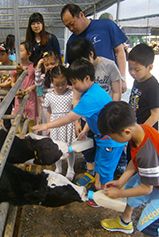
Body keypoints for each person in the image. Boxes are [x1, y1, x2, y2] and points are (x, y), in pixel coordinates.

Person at [31, 58, 126, 201]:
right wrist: (86, 129)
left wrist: (47, 125)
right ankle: (98, 187)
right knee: (100, 163)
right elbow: (95, 115)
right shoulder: (95, 89)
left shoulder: (90, 97)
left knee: (105, 168)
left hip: (111, 140)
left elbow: (70, 117)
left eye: (74, 82)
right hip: (104, 137)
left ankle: (103, 198)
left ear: (87, 78)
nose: (73, 86)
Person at [66, 37, 124, 186]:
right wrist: (80, 122)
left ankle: (102, 185)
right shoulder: (80, 77)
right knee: (95, 152)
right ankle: (93, 175)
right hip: (91, 118)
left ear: (90, 54)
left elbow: (117, 92)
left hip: (107, 121)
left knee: (106, 158)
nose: (77, 65)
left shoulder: (109, 66)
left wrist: (113, 116)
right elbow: (77, 97)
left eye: (80, 60)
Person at [97, 101, 159, 236]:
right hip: (154, 174)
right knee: (130, 187)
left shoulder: (146, 153)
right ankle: (125, 222)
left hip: (154, 182)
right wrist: (120, 182)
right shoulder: (140, 131)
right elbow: (134, 161)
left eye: (112, 137)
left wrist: (119, 193)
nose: (111, 140)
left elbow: (146, 188)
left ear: (126, 132)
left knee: (147, 226)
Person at [60, 4, 128, 93]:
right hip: (87, 90)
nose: (71, 28)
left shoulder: (106, 25)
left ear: (81, 14)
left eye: (72, 24)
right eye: (67, 26)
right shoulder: (72, 41)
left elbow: (119, 51)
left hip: (109, 84)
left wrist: (122, 78)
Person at [43, 65, 76, 181]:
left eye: (63, 83)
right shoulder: (49, 96)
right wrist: (48, 126)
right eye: (57, 85)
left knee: (69, 147)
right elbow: (49, 112)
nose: (61, 87)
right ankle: (58, 167)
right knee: (56, 147)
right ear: (52, 82)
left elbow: (75, 110)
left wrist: (76, 124)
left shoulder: (71, 94)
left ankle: (71, 168)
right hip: (55, 125)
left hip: (68, 124)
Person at [128, 43, 159, 131]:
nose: (133, 73)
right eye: (130, 68)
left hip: (146, 132)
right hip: (135, 126)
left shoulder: (152, 85)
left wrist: (141, 131)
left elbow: (155, 115)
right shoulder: (137, 79)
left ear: (149, 67)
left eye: (137, 70)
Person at [11, 41, 37, 133]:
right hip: (19, 97)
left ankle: (31, 136)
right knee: (19, 118)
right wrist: (17, 89)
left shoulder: (33, 67)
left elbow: (37, 82)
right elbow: (12, 81)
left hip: (30, 97)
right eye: (16, 51)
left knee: (30, 119)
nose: (17, 53)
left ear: (28, 54)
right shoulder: (15, 67)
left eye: (21, 51)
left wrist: (31, 88)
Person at [0, 42, 16, 131]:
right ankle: (8, 130)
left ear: (8, 53)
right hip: (5, 94)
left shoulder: (15, 64)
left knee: (19, 110)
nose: (0, 57)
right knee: (6, 112)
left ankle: (20, 128)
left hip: (16, 93)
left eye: (3, 54)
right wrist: (4, 85)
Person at [35, 51, 60, 128]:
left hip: (59, 106)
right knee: (47, 127)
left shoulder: (61, 76)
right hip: (47, 107)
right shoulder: (44, 77)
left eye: (53, 63)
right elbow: (38, 83)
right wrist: (38, 67)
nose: (50, 66)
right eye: (47, 65)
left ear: (58, 62)